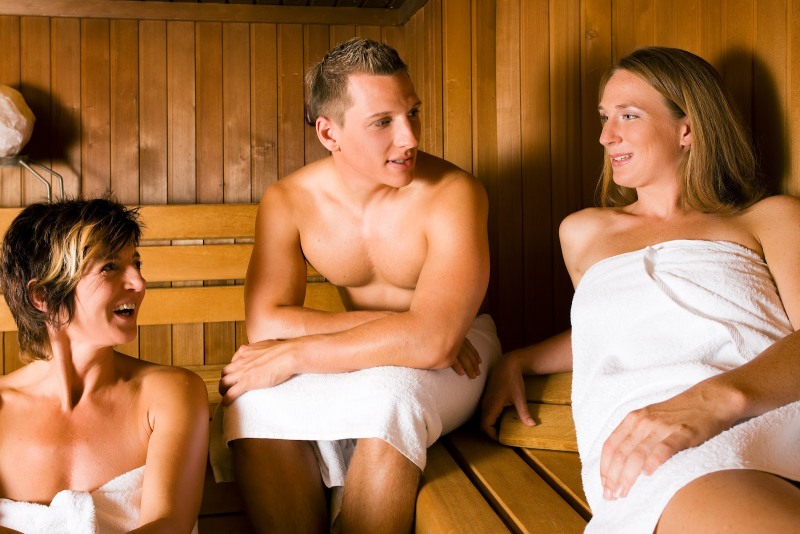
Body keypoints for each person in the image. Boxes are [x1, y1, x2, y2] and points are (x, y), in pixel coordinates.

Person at [481, 46, 800, 533]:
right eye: (605, 117)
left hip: (760, 411)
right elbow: (610, 331)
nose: (607, 136)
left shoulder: (769, 219)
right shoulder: (584, 232)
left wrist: (714, 400)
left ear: (687, 128)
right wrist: (520, 359)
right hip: (638, 441)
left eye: (628, 115)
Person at [210, 37, 501, 533]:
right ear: (329, 132)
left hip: (463, 350)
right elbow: (265, 323)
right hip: (390, 343)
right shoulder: (290, 200)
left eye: (413, 113)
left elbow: (436, 342)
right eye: (383, 122)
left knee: (392, 397)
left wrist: (296, 354)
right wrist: (407, 329)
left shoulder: (455, 194)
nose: (409, 138)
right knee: (250, 401)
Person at [0, 198, 209, 533]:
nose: (139, 283)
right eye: (110, 266)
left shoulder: (169, 395)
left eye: (136, 263)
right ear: (43, 296)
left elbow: (170, 524)